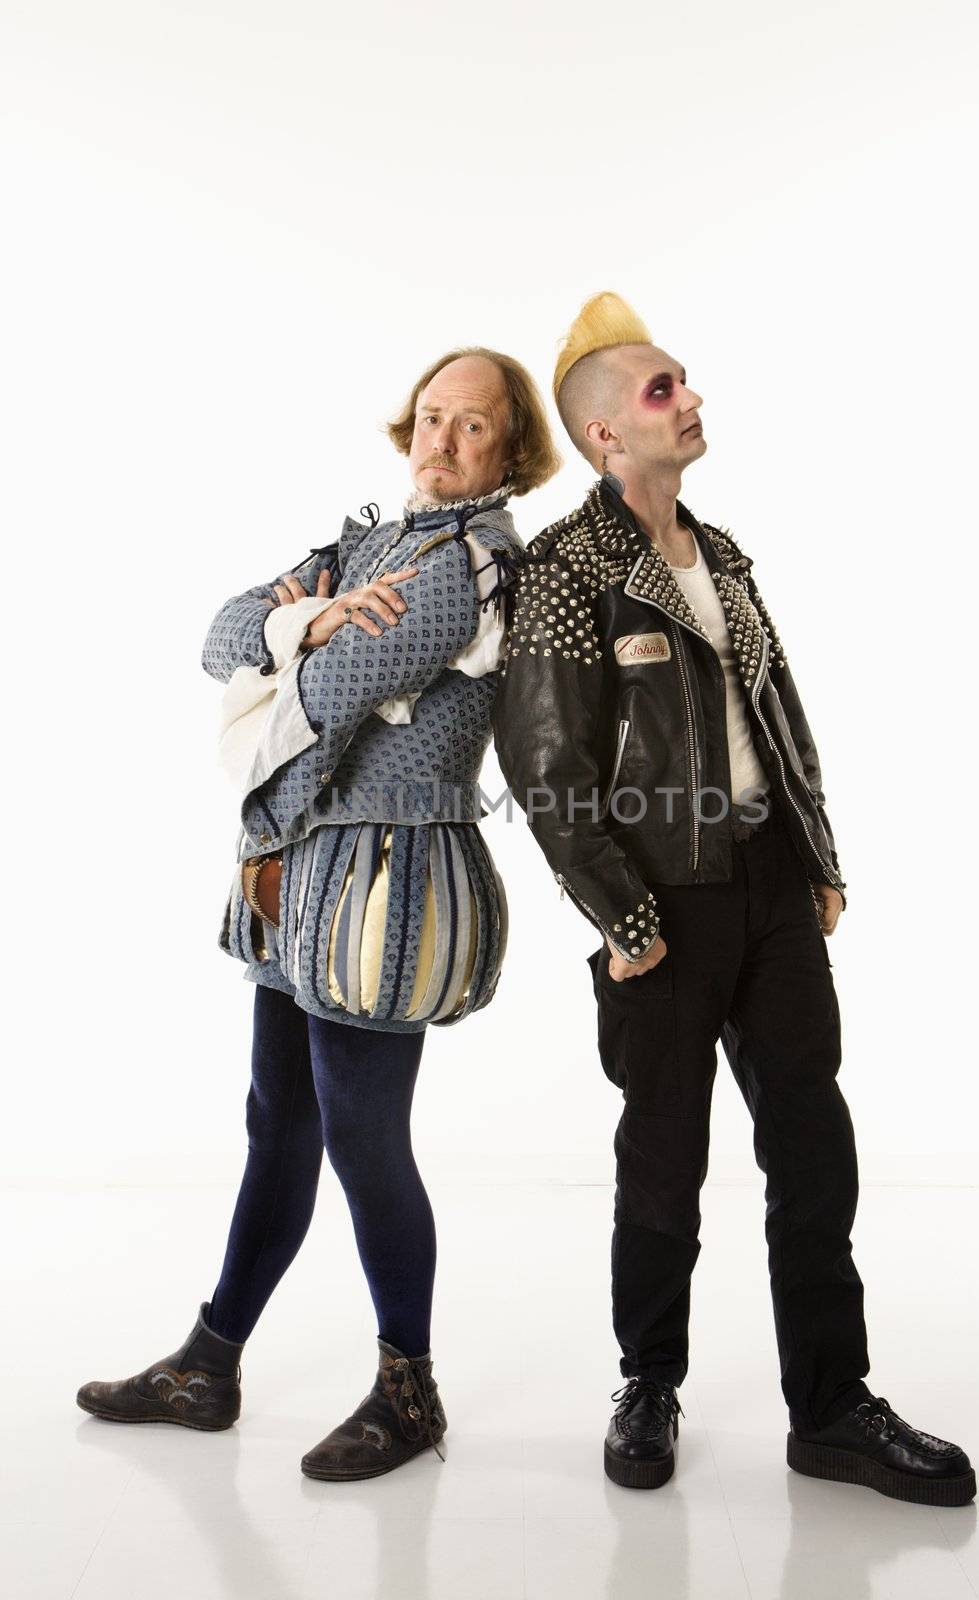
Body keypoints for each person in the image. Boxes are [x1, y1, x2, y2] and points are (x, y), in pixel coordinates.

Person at [491, 292, 975, 1505]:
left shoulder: (723, 556)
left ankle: (831, 1407)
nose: (690, 399)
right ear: (606, 435)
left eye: (683, 382)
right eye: (662, 391)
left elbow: (777, 717)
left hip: (765, 888)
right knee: (663, 1160)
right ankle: (647, 1381)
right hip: (661, 904)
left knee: (811, 1147)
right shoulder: (565, 571)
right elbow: (545, 768)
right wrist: (626, 919)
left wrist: (814, 856)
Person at [76, 348, 561, 1482]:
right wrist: (311, 618)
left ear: (512, 447)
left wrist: (299, 667)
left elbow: (334, 699)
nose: (442, 442)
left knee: (362, 1136)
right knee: (276, 1120)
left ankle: (409, 1388)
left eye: (472, 427)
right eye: (431, 418)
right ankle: (210, 1361)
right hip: (302, 880)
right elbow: (219, 635)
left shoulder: (473, 564)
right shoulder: (360, 545)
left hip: (382, 883)